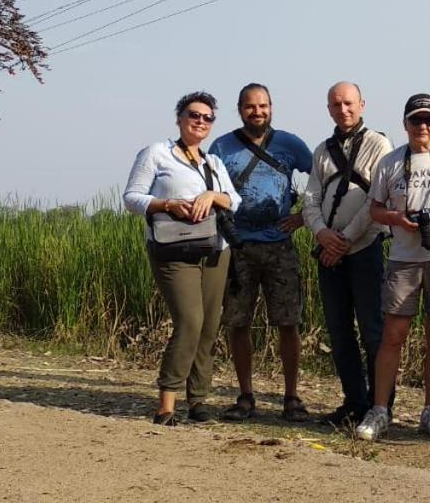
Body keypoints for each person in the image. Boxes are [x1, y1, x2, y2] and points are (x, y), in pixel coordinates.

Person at [355, 93, 430, 441]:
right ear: (405, 124)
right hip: (404, 260)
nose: (423, 126)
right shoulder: (390, 162)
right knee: (392, 336)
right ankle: (380, 410)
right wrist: (397, 218)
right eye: (416, 120)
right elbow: (374, 209)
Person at [123, 91, 240, 425]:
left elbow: (236, 200)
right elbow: (131, 198)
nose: (200, 121)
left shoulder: (213, 162)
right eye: (194, 115)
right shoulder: (157, 153)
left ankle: (198, 400)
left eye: (208, 117)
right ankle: (167, 403)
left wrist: (213, 195)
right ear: (179, 118)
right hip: (173, 250)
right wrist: (167, 205)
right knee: (189, 321)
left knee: (208, 326)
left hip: (215, 250)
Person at [208, 83, 313, 422]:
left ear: (271, 107)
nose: (258, 112)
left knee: (288, 322)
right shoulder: (222, 147)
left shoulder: (290, 144)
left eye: (263, 106)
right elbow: (208, 190)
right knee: (237, 323)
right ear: (240, 109)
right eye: (251, 107)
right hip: (237, 246)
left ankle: (291, 398)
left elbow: (322, 179)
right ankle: (245, 396)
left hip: (279, 245)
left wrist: (303, 216)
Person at [302, 81, 394, 427]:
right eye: (336, 104)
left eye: (349, 103)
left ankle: (380, 404)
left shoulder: (379, 144)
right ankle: (353, 402)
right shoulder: (322, 151)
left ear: (362, 105)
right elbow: (311, 198)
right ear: (329, 109)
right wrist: (323, 235)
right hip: (329, 252)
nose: (343, 110)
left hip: (366, 250)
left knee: (373, 331)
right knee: (339, 333)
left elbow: (377, 201)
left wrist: (344, 241)